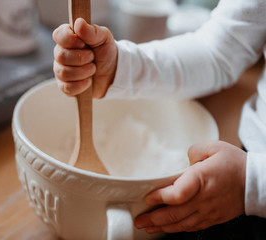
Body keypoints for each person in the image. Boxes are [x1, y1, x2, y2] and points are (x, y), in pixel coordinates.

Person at [53, 0, 266, 237]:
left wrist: (253, 182)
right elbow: (223, 49)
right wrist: (120, 67)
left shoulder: (249, 182)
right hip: (241, 169)